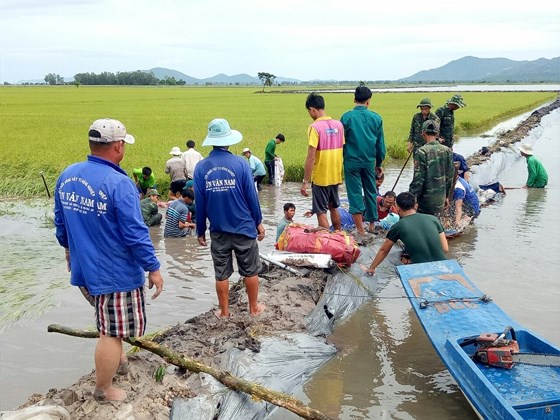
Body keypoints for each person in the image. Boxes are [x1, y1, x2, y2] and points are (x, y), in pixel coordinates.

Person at [53, 118, 163, 402]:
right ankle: (103, 388)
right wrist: (153, 268)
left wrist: (69, 252)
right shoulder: (120, 183)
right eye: (123, 143)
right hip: (115, 274)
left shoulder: (68, 175)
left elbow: (61, 224)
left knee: (107, 319)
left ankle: (120, 361)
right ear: (117, 146)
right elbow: (135, 233)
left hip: (84, 269)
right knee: (111, 332)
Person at [194, 118, 266, 317]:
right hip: (244, 226)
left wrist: (200, 230)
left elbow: (200, 203)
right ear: (228, 140)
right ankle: (253, 308)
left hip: (218, 230)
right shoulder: (241, 164)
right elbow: (252, 197)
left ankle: (224, 312)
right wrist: (258, 222)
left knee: (221, 272)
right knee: (251, 270)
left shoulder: (201, 168)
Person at [340, 86, 386, 236]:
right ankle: (372, 225)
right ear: (369, 101)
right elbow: (380, 145)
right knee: (371, 192)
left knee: (354, 194)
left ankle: (360, 229)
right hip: (369, 161)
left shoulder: (346, 117)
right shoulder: (376, 118)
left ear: (354, 99)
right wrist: (379, 164)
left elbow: (341, 143)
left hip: (351, 162)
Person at [366, 192, 448, 275]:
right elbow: (445, 248)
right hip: (444, 266)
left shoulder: (398, 226)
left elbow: (384, 250)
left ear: (397, 207)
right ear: (416, 205)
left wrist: (372, 268)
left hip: (422, 270)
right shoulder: (433, 219)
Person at [301, 93, 344, 231]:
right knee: (334, 207)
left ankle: (326, 240)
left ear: (312, 109)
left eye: (309, 111)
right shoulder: (339, 125)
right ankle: (338, 234)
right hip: (335, 175)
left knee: (321, 211)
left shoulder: (315, 127)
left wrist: (305, 181)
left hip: (320, 176)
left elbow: (311, 156)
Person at [409, 120, 454, 216]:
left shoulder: (422, 152)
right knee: (435, 225)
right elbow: (450, 176)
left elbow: (418, 179)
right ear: (437, 133)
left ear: (423, 133)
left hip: (425, 202)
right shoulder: (447, 151)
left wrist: (412, 199)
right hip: (440, 200)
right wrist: (446, 196)